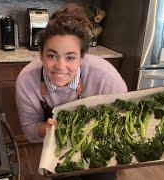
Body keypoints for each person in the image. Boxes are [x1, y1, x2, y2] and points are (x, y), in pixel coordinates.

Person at [16, 4, 127, 143]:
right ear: (41, 54)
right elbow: (29, 130)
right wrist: (46, 130)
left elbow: (121, 124)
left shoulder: (107, 78)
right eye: (51, 56)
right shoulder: (27, 80)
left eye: (70, 57)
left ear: (81, 58)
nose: (60, 67)